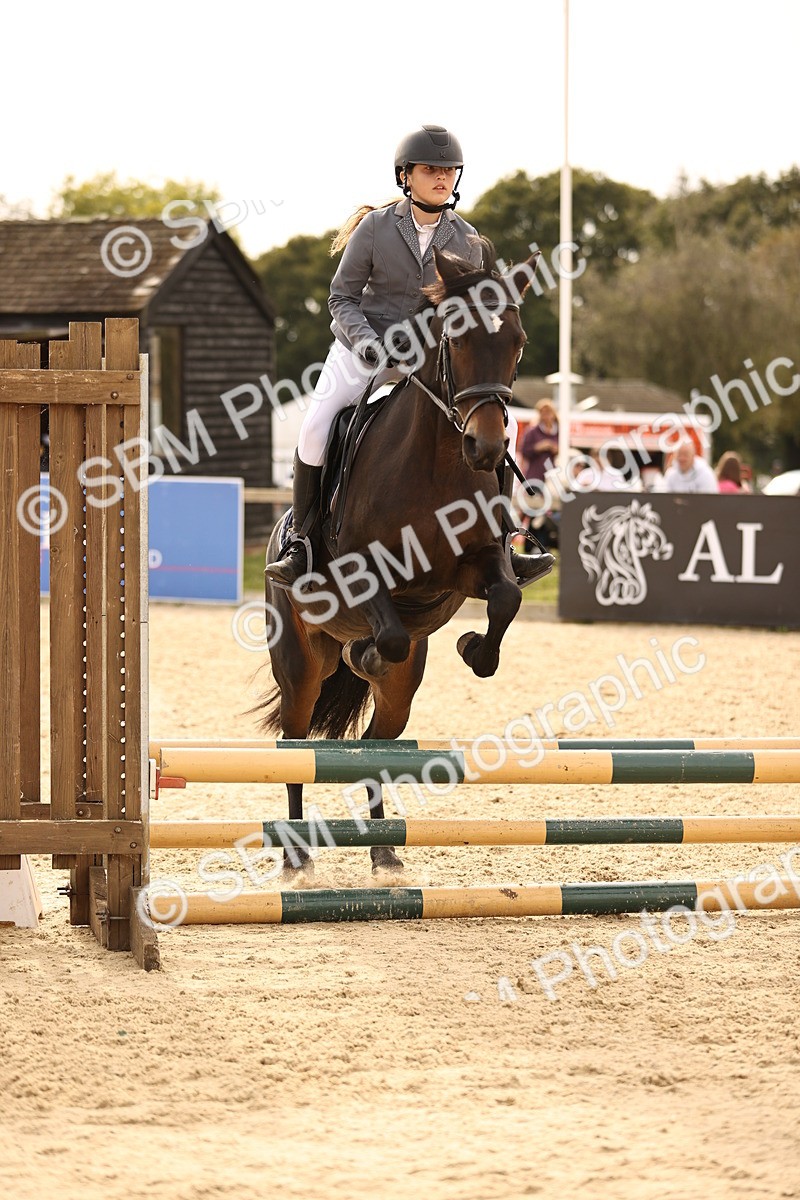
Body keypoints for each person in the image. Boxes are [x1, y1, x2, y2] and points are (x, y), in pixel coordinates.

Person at [265, 124, 553, 588]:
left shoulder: (468, 240)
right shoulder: (376, 228)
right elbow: (341, 298)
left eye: (449, 170)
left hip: (429, 360)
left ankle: (503, 542)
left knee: (509, 426)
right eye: (431, 169)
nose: (442, 177)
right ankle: (301, 544)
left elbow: (475, 314)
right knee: (315, 425)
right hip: (364, 352)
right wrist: (369, 344)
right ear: (406, 176)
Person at [520, 399, 559, 485]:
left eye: (548, 412)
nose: (546, 416)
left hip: (554, 476)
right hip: (535, 474)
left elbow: (567, 449)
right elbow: (523, 450)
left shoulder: (560, 432)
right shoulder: (532, 431)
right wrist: (537, 447)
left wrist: (557, 449)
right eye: (543, 413)